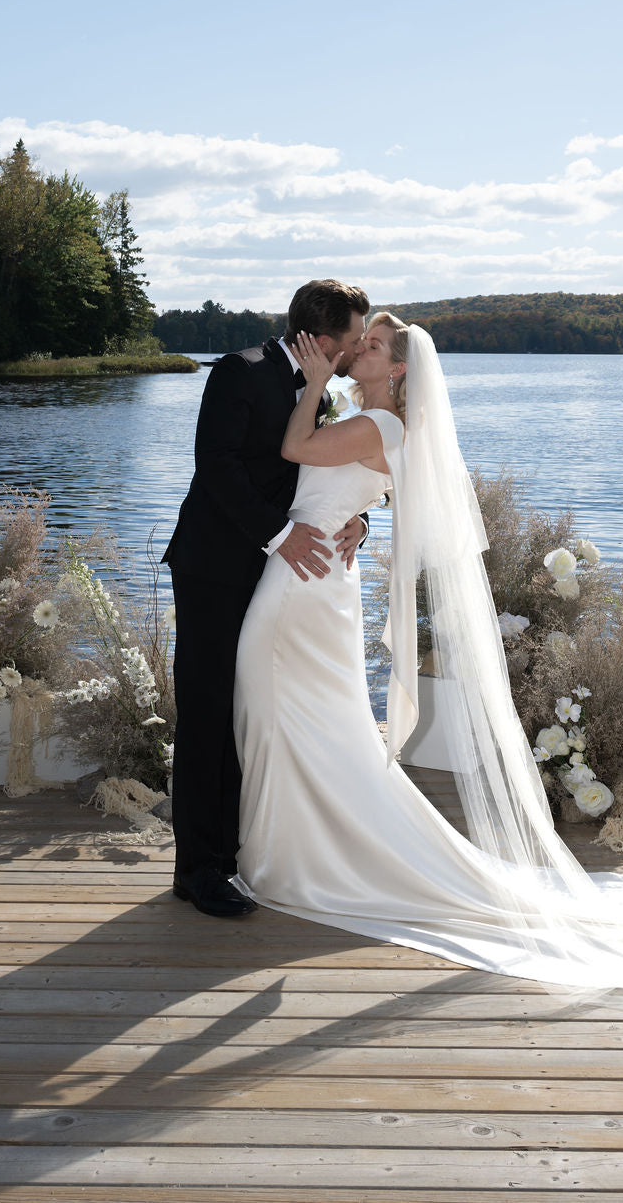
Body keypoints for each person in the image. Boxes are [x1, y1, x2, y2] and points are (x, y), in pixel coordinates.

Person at [233, 314, 623, 990]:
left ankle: (290, 857)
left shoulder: (377, 425)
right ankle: (296, 850)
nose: (358, 351)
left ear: (402, 368)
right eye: (360, 342)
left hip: (303, 584)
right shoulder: (382, 423)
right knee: (311, 721)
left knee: (280, 712)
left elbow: (297, 451)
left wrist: (313, 381)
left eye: (373, 347)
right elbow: (370, 486)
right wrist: (357, 514)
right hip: (320, 578)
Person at [162, 278, 370, 918]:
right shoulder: (238, 371)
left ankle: (237, 855)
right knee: (208, 715)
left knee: (253, 713)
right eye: (355, 341)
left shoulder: (319, 393)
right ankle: (199, 871)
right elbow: (214, 463)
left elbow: (329, 471)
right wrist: (280, 535)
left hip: (278, 578)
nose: (360, 352)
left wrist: (360, 517)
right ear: (323, 341)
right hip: (216, 569)